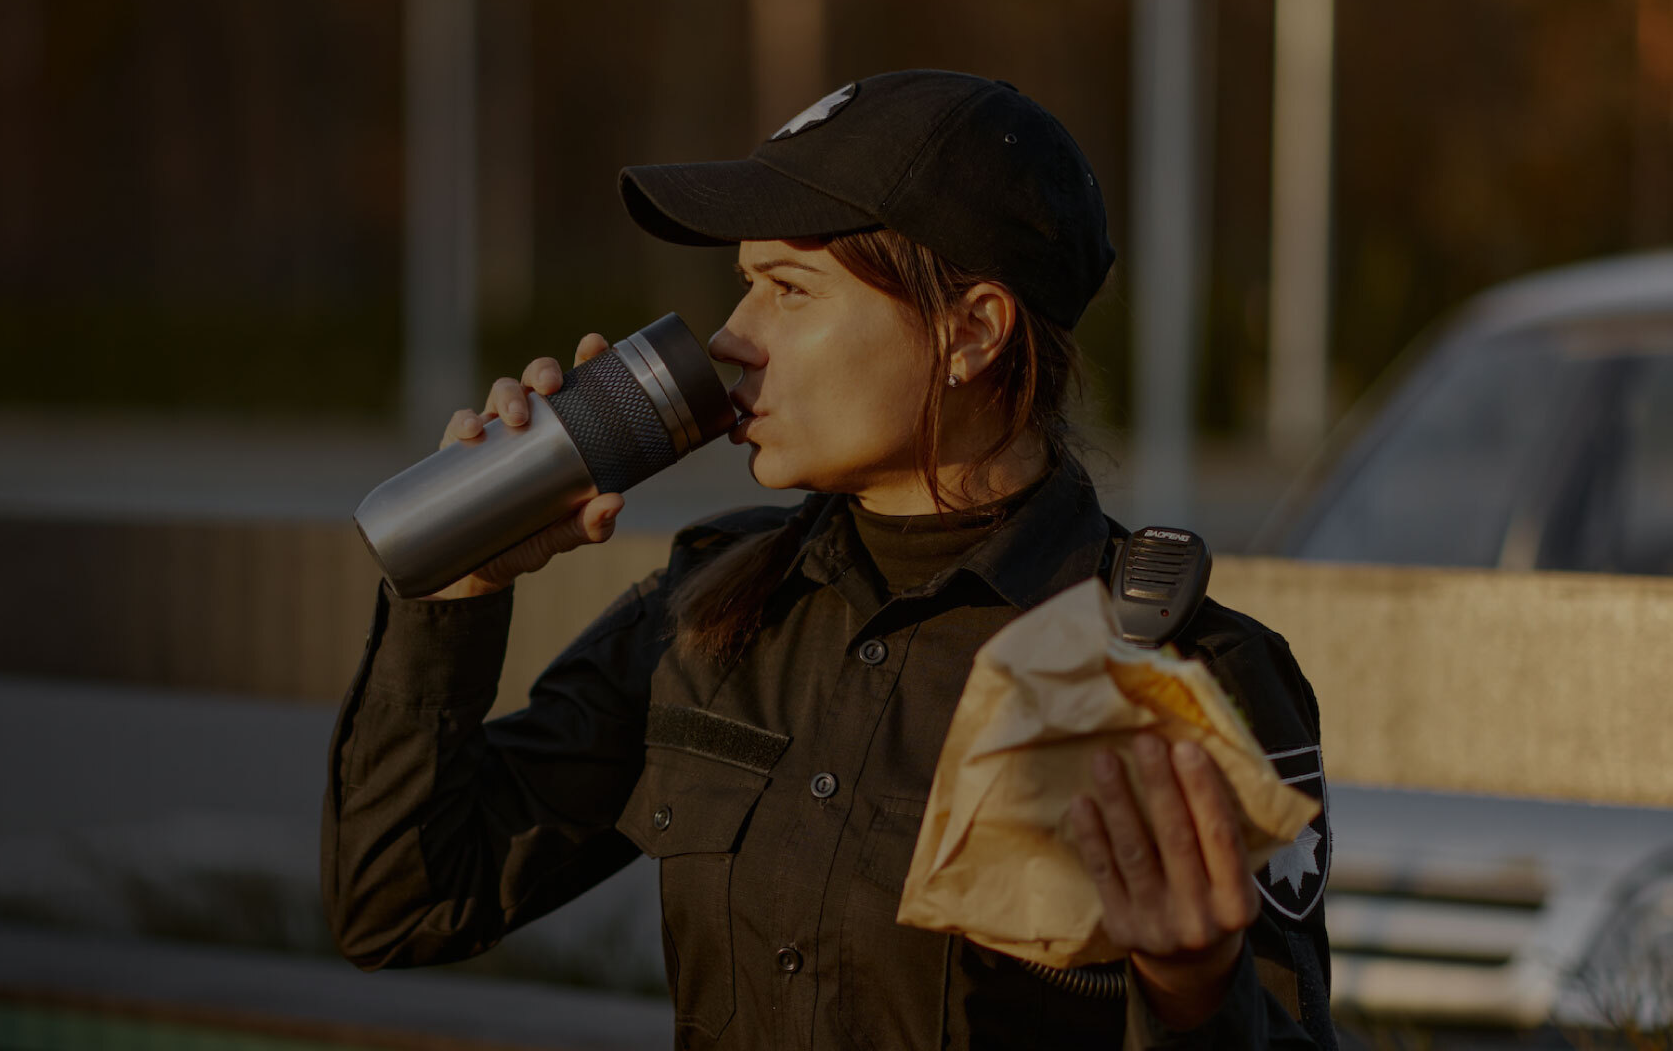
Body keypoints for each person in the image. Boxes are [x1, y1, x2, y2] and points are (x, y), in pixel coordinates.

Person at [322, 70, 1336, 1050]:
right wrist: (460, 580)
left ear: (970, 331)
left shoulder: (1174, 676)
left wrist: (1194, 995)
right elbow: (401, 906)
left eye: (788, 290)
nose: (733, 336)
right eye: (742, 285)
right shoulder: (712, 609)